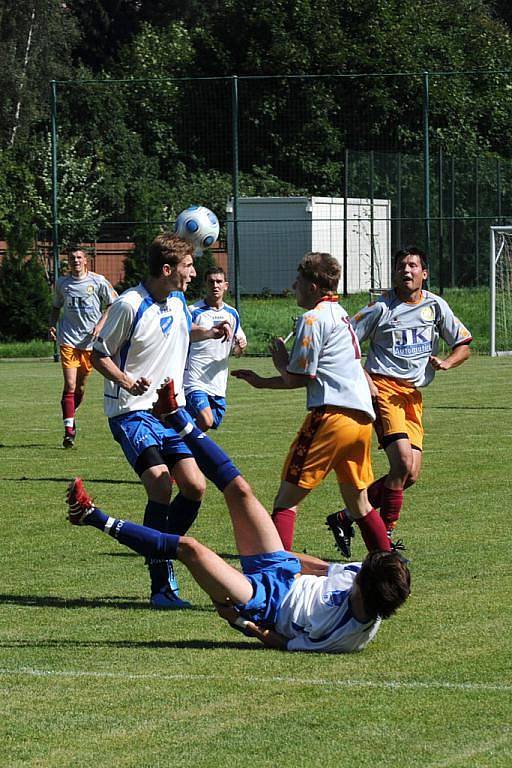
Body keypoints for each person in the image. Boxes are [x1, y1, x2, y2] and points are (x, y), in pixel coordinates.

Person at [65, 384, 410, 653]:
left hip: (263, 600)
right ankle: (174, 416)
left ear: (366, 593)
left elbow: (283, 642)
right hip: (281, 569)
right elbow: (321, 568)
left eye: (361, 573)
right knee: (240, 489)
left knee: (190, 549)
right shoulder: (359, 577)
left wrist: (242, 623)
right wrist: (283, 558)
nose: (356, 571)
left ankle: (92, 516)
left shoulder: (347, 637)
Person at [90, 233, 232, 610]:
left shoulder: (178, 300)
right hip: (131, 411)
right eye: (188, 267)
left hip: (171, 411)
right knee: (160, 482)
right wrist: (125, 381)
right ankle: (161, 585)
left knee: (195, 486)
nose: (194, 273)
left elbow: (185, 329)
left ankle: (158, 546)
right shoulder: (129, 305)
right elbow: (97, 353)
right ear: (167, 270)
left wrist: (211, 332)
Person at [326, 245, 472, 554]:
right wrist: (365, 378)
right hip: (384, 390)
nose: (406, 271)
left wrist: (447, 361)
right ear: (394, 273)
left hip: (412, 396)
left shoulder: (436, 306)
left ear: (424, 273)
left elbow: (463, 344)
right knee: (403, 462)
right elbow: (345, 340)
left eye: (413, 266)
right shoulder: (381, 308)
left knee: (411, 474)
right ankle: (384, 541)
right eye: (401, 266)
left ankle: (345, 517)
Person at [232, 251, 379, 556]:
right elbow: (307, 377)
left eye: (298, 280)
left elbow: (298, 377)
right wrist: (261, 382)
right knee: (359, 503)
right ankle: (390, 562)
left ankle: (275, 576)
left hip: (331, 418)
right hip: (360, 420)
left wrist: (280, 363)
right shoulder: (339, 313)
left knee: (286, 501)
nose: (293, 285)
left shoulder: (313, 318)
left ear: (312, 286)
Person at [48, 247, 117, 448]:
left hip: (90, 343)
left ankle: (70, 412)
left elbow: (113, 303)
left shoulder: (98, 281)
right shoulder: (62, 283)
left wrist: (100, 325)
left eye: (79, 257)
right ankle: (69, 430)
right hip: (68, 339)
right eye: (72, 258)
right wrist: (52, 324)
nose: (75, 260)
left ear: (85, 260)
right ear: (68, 262)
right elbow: (55, 307)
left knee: (80, 386)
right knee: (69, 385)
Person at [184, 266, 247, 431]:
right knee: (205, 420)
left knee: (208, 423)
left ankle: (178, 447)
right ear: (205, 285)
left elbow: (237, 350)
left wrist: (239, 346)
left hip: (218, 383)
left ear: (226, 285)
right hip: (194, 380)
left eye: (219, 281)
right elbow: (182, 338)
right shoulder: (193, 311)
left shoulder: (232, 314)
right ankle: (176, 447)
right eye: (211, 282)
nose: (215, 285)